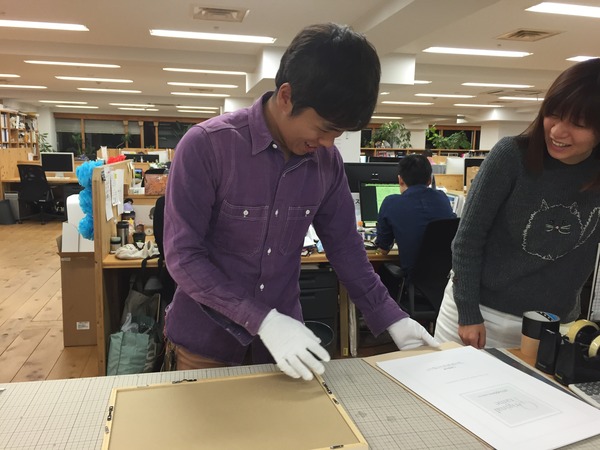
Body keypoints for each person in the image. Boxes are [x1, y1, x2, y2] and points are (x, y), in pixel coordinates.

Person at [163, 23, 439, 381]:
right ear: (286, 97)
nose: (327, 143)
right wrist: (262, 320)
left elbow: (346, 248)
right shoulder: (207, 146)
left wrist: (391, 316)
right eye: (323, 129)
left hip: (286, 351)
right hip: (207, 346)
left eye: (337, 134)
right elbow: (183, 257)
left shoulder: (326, 163)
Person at [435, 58, 600, 349]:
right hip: (480, 313)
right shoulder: (511, 156)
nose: (557, 132)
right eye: (553, 114)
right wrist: (468, 312)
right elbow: (468, 239)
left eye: (578, 124)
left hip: (554, 323)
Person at [375, 154, 456, 277]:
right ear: (429, 180)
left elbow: (383, 250)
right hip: (445, 280)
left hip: (414, 279)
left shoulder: (391, 202)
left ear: (400, 180)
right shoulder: (442, 198)